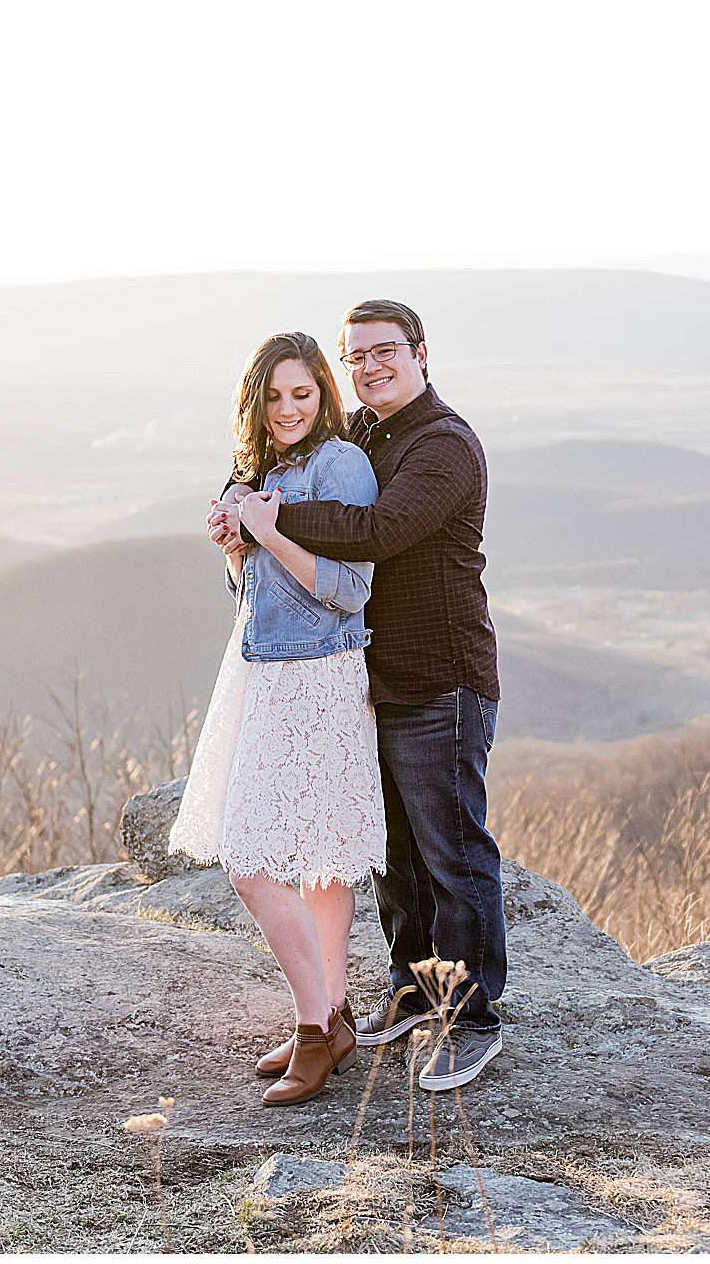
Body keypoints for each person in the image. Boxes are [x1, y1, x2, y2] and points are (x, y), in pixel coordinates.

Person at [210, 298, 505, 1092]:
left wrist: (264, 517)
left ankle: (471, 1017)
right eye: (358, 356)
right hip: (380, 678)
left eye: (385, 351)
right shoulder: (374, 435)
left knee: (452, 849)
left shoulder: (443, 446)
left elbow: (372, 535)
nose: (370, 366)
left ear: (420, 354)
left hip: (443, 676)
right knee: (396, 856)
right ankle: (414, 989)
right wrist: (244, 521)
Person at [168, 330, 387, 1107]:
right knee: (314, 857)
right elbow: (257, 594)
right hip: (263, 671)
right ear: (255, 402)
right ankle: (333, 1011)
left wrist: (266, 532)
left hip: (320, 676)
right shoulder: (259, 469)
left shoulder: (340, 465)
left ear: (324, 393)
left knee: (253, 860)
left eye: (304, 392)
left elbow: (349, 589)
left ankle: (311, 1032)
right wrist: (236, 550)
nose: (290, 408)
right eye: (275, 395)